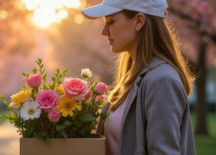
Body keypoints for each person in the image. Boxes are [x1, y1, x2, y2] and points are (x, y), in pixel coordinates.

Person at [80, 0, 197, 154]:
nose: (104, 31)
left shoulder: (161, 82)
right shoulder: (134, 77)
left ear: (139, 21)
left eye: (111, 21)